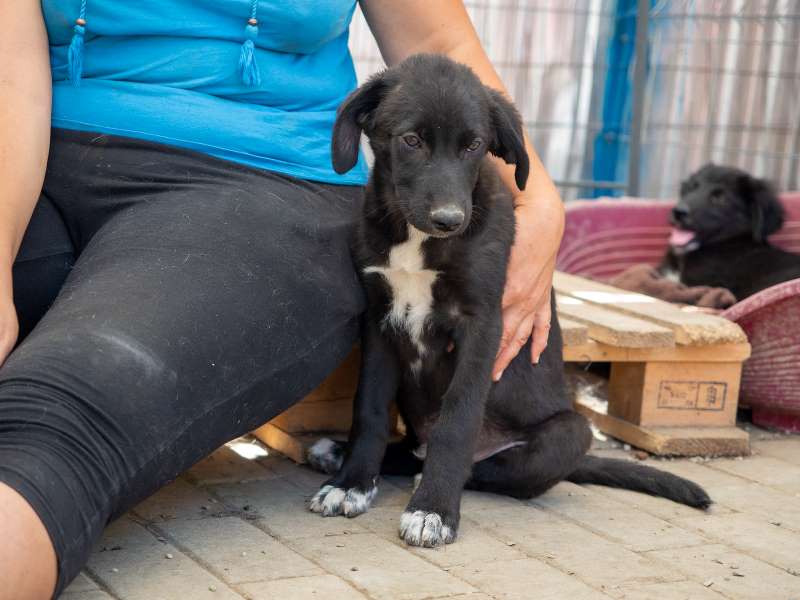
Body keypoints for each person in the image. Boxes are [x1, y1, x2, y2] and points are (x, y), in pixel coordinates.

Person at [0, 2, 564, 598]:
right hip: (32, 158)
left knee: (65, 406)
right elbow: (10, 78)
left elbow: (439, 44)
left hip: (256, 174)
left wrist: (539, 205)